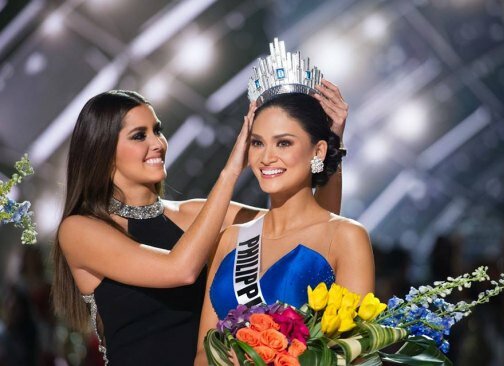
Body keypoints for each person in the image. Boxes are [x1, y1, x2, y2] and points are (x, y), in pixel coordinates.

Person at [52, 82, 347, 364]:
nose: (158, 143)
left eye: (158, 130)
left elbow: (311, 230)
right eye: (139, 135)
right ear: (102, 148)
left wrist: (331, 147)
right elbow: (180, 269)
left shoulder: (194, 214)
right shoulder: (80, 229)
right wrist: (231, 170)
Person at [194, 39, 374, 365]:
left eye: (284, 142)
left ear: (318, 151)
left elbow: (355, 357)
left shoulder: (346, 237)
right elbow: (202, 353)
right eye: (258, 143)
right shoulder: (231, 238)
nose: (267, 157)